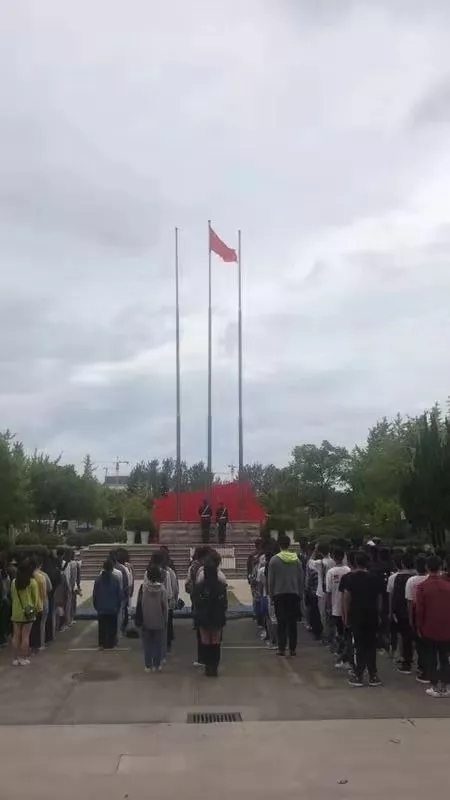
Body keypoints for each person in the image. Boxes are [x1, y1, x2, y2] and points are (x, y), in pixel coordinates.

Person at [342, 550, 382, 687]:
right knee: (371, 645)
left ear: (355, 562)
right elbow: (379, 597)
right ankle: (373, 675)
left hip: (356, 615)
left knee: (358, 645)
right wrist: (379, 613)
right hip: (372, 614)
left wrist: (346, 616)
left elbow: (346, 598)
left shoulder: (350, 578)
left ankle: (358, 675)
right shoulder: (374, 577)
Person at [416, 555, 450, 698]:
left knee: (431, 658)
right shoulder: (448, 586)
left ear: (427, 567)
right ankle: (446, 686)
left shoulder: (422, 587)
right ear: (441, 567)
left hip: (429, 627)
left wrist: (419, 626)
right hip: (447, 628)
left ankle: (434, 686)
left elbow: (419, 610)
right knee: (445, 657)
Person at [268, 533, 303, 657]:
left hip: (279, 594)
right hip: (294, 593)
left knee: (281, 622)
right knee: (292, 622)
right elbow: (301, 578)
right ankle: (293, 648)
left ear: (279, 545)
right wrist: (300, 593)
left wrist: (271, 595)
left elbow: (271, 580)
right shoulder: (296, 560)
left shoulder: (274, 560)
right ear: (289, 544)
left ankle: (281, 648)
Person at [193, 552, 228, 676]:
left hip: (203, 618)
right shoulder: (221, 587)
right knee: (216, 642)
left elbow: (196, 603)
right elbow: (224, 604)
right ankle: (214, 666)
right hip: (217, 618)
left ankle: (208, 666)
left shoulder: (199, 587)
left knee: (206, 642)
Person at [135, 564, 168, 672]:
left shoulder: (143, 588)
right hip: (159, 619)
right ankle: (157, 664)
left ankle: (148, 665)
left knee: (147, 644)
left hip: (146, 619)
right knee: (158, 643)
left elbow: (139, 604)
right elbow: (165, 606)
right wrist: (165, 619)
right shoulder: (162, 589)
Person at [389, 552, 416, 674]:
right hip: (418, 610)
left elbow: (394, 596)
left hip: (403, 612)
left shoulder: (397, 577)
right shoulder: (419, 576)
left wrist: (392, 611)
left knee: (404, 636)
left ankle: (406, 660)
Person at [405, 554, 429, 683]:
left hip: (416, 612)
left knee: (419, 643)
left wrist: (410, 619)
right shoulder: (430, 578)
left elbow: (409, 602)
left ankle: (422, 667)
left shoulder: (411, 581)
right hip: (430, 611)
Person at [10, 560, 39, 666]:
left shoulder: (14, 582)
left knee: (16, 636)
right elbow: (35, 599)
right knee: (25, 636)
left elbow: (12, 595)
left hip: (16, 612)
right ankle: (23, 658)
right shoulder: (32, 582)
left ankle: (15, 658)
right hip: (28, 612)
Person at [325, 547, 350, 663]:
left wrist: (328, 606)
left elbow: (328, 592)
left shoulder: (331, 572)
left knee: (338, 631)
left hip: (336, 607)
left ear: (334, 558)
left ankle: (341, 652)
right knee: (346, 631)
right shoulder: (348, 570)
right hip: (348, 607)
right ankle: (344, 651)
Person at [93, 558, 122, 649]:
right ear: (112, 568)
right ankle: (111, 643)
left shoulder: (98, 580)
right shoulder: (116, 580)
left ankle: (102, 643)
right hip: (113, 608)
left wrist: (96, 605)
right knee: (112, 626)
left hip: (101, 607)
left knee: (102, 626)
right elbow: (119, 594)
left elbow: (95, 594)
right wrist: (118, 605)